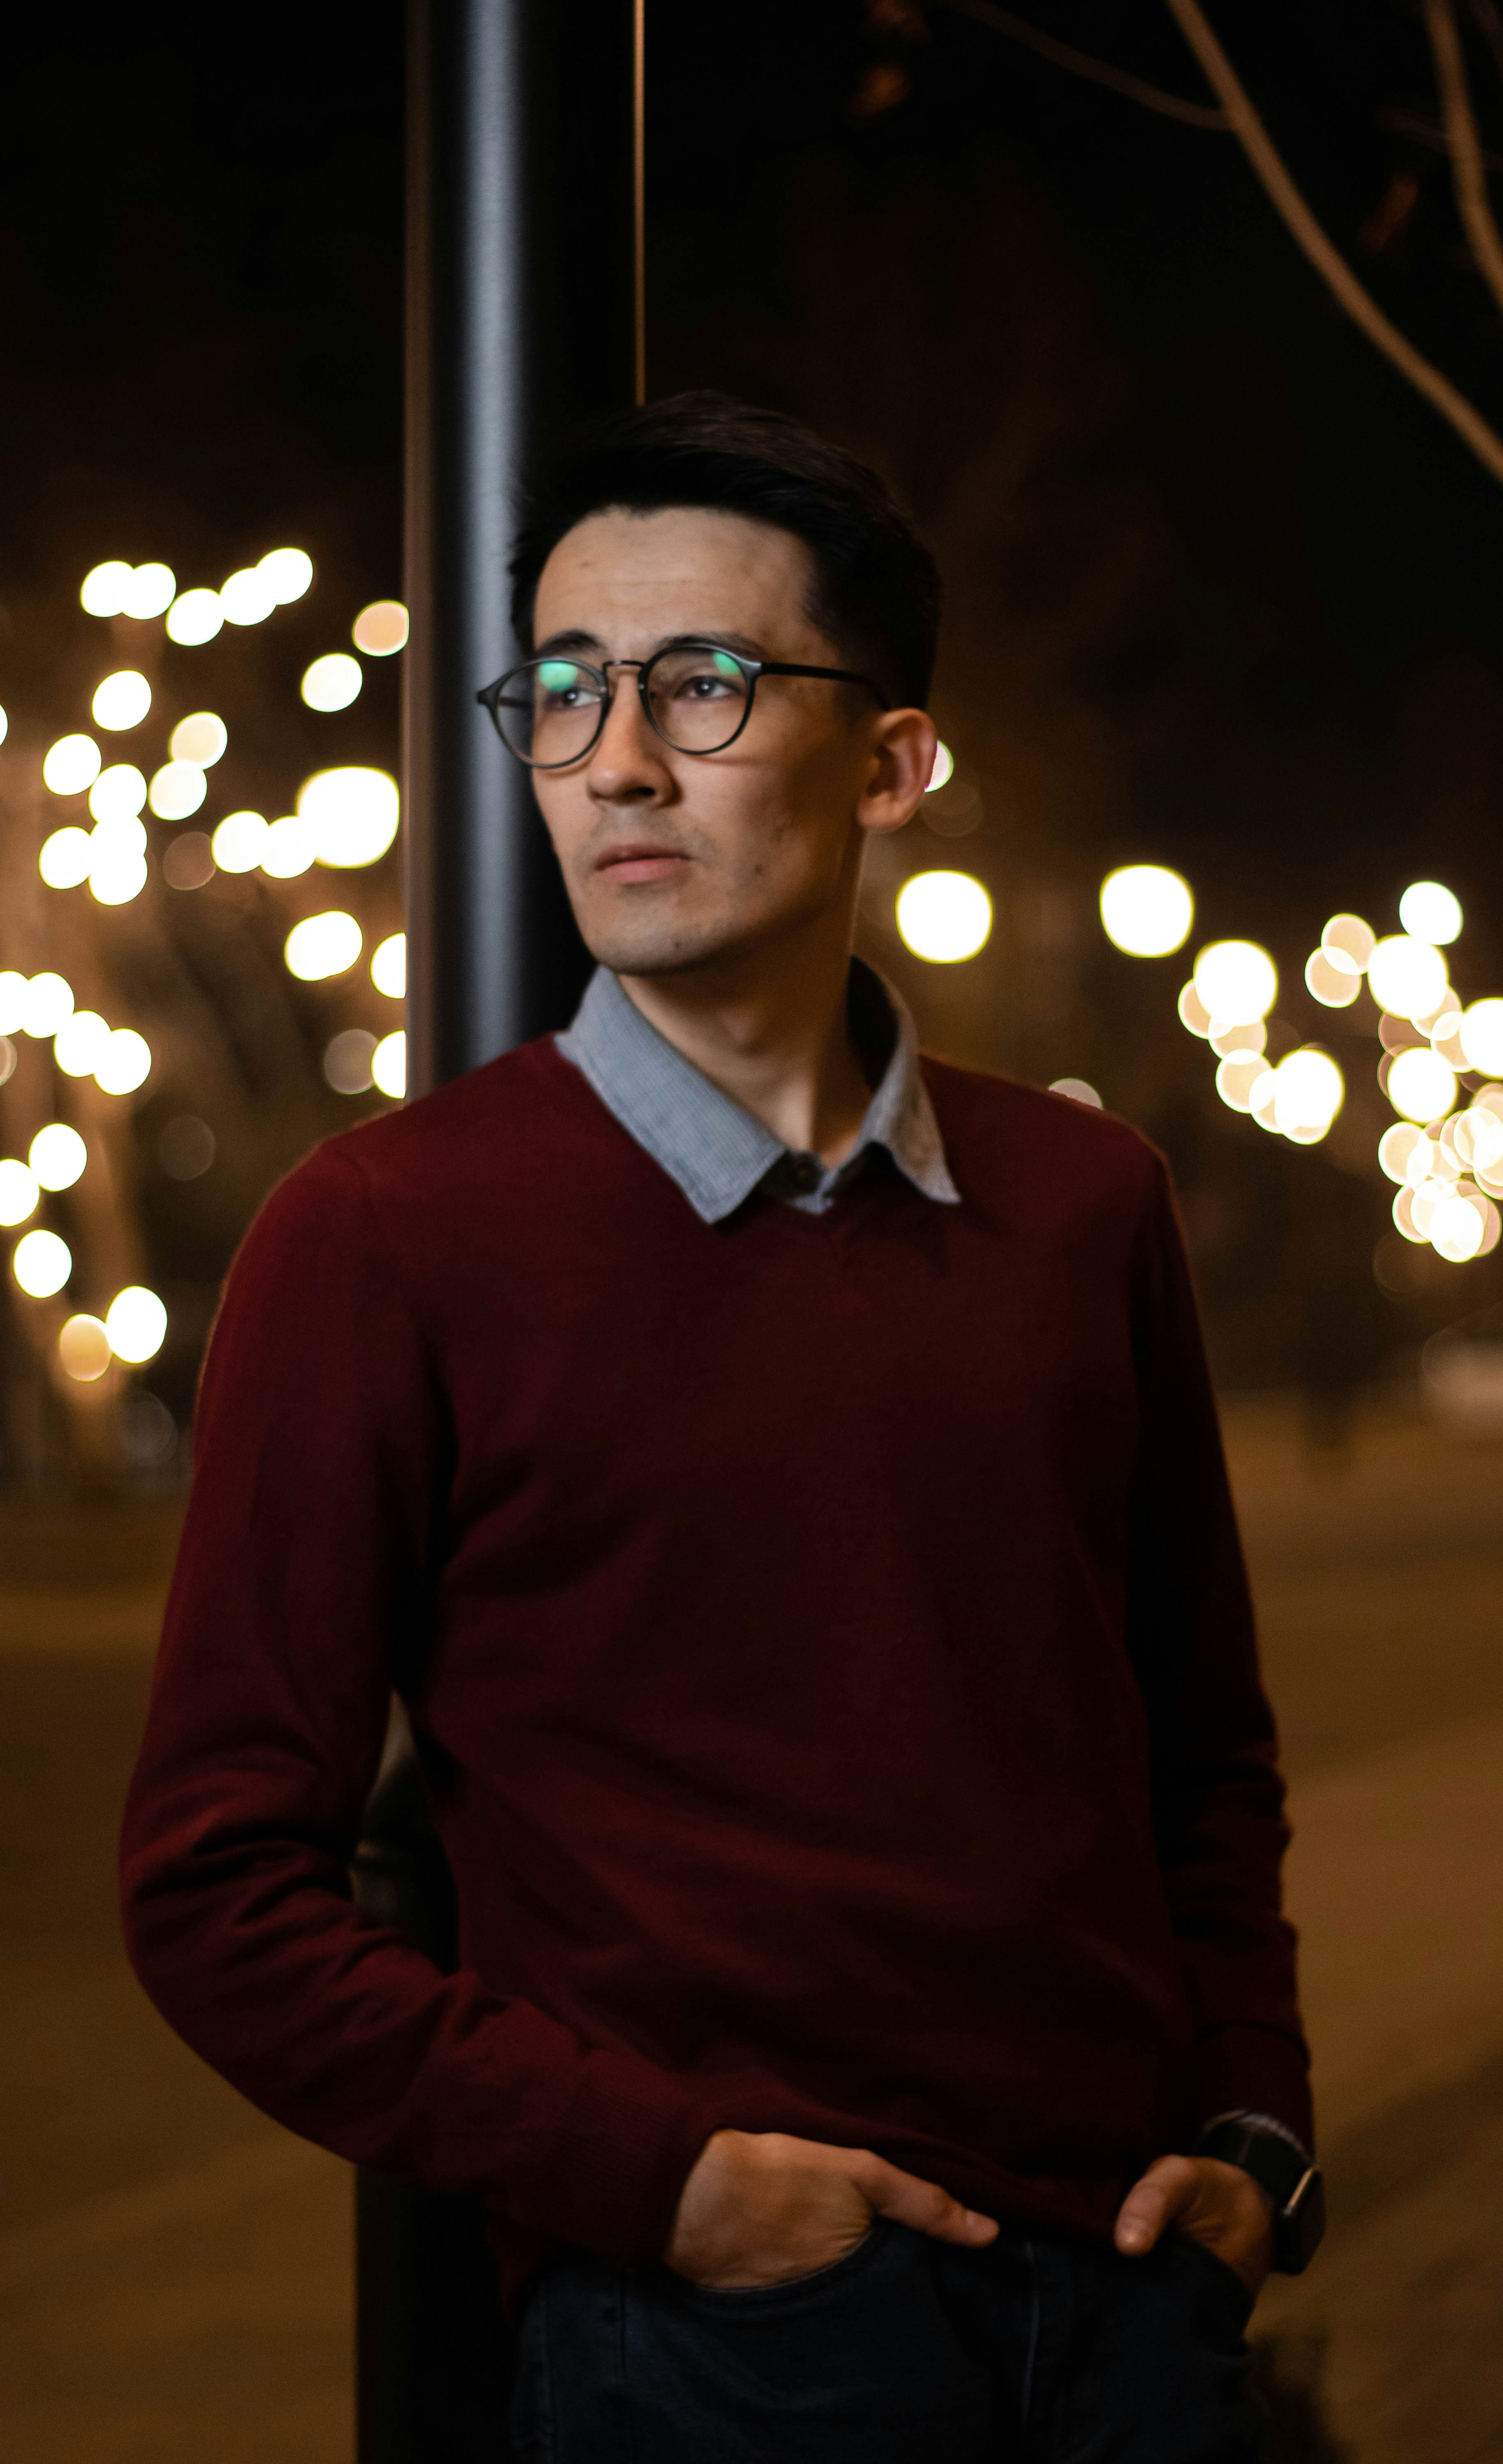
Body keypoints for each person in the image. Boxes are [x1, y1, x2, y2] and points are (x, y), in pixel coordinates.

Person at [121, 393, 1319, 2460]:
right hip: (723, 2349)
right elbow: (213, 1887)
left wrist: (1255, 2141)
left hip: (1134, 2313)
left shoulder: (1082, 1202)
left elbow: (1199, 1752)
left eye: (703, 683)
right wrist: (654, 2182)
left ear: (893, 763)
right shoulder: (385, 1233)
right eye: (564, 690)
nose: (616, 760)